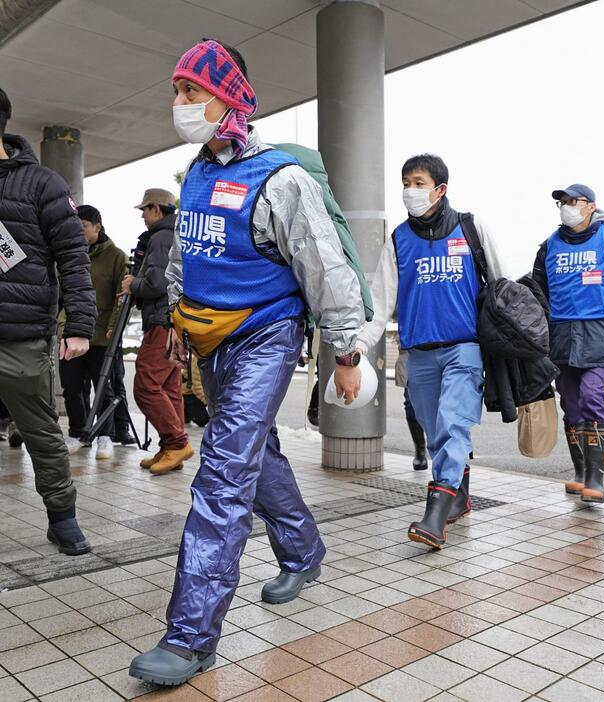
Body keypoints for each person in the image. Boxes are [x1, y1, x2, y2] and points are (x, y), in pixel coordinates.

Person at [128, 39, 364, 686]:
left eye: (190, 92)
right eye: (175, 91)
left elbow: (327, 269)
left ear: (228, 97)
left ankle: (190, 635)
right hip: (211, 340)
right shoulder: (198, 174)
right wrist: (177, 319)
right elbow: (184, 260)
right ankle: (303, 550)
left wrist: (344, 353)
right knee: (256, 454)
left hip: (268, 335)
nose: (178, 105)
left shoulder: (278, 179)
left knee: (224, 469)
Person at [357, 154, 503, 549]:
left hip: (464, 348)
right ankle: (461, 494)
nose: (410, 190)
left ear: (440, 189)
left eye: (419, 182)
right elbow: (380, 300)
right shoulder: (399, 240)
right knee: (436, 429)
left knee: (454, 423)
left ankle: (434, 515)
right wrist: (356, 347)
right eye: (406, 181)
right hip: (419, 352)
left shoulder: (471, 229)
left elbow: (502, 288)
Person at [0, 86, 95, 555]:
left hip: (19, 337)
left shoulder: (41, 184)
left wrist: (79, 324)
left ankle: (62, 518)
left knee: (40, 432)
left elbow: (74, 258)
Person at [531, 184, 604, 503]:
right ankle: (581, 473)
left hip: (602, 330)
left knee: (592, 394)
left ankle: (596, 477)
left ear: (591, 206)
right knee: (570, 401)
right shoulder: (548, 247)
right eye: (562, 202)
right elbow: (538, 294)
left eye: (572, 201)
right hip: (561, 334)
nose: (566, 206)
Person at [124, 188, 191, 474]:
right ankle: (170, 448)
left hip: (162, 320)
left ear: (157, 209)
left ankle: (176, 443)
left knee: (146, 384)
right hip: (175, 319)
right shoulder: (177, 233)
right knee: (169, 387)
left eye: (145, 209)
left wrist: (132, 284)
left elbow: (157, 282)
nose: (142, 215)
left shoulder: (161, 236)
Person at [58, 205, 126, 460]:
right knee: (72, 387)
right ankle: (77, 433)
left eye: (83, 225)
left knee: (103, 388)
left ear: (98, 227)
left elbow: (122, 297)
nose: (79, 230)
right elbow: (61, 296)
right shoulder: (69, 254)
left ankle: (104, 435)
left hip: (101, 336)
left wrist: (113, 327)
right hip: (71, 333)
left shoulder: (116, 256)